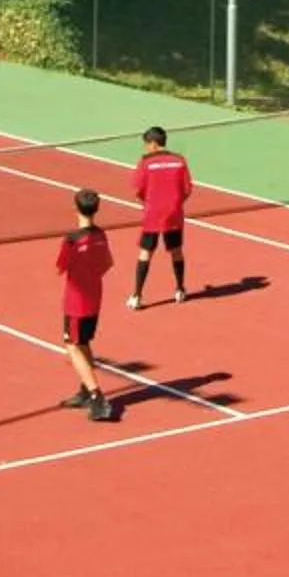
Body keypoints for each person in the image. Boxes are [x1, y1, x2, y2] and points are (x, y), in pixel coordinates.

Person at [52, 187, 121, 422]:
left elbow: (60, 267)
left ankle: (96, 397)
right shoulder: (101, 235)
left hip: (75, 301)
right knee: (84, 343)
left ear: (75, 208)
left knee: (72, 345)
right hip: (95, 298)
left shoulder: (71, 239)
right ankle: (85, 389)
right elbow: (107, 263)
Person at [127, 125, 193, 308]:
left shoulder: (146, 162)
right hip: (174, 214)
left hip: (153, 214)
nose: (146, 148)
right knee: (176, 251)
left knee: (145, 252)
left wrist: (149, 202)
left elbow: (138, 189)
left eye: (147, 145)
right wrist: (175, 203)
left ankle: (137, 296)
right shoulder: (180, 160)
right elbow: (187, 189)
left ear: (154, 144)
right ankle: (180, 290)